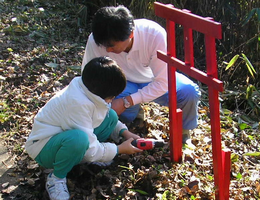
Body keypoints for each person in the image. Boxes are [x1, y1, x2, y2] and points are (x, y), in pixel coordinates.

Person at [25, 57, 142, 200]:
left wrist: (125, 133)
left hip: (64, 138)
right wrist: (118, 150)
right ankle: (56, 177)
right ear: (101, 94)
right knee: (79, 140)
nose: (112, 100)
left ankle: (82, 158)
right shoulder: (77, 104)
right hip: (44, 149)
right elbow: (87, 145)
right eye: (111, 97)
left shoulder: (89, 90)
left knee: (110, 115)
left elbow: (105, 115)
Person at [81, 5, 201, 143]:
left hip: (152, 78)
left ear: (131, 34)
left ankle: (184, 132)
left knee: (189, 92)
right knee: (112, 106)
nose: (107, 49)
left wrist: (127, 101)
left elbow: (164, 82)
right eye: (104, 45)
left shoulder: (153, 34)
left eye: (112, 45)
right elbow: (90, 77)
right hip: (122, 82)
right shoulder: (96, 40)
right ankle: (134, 116)